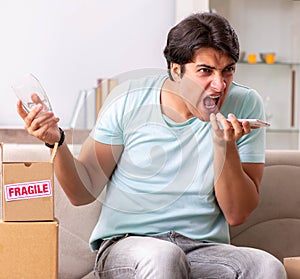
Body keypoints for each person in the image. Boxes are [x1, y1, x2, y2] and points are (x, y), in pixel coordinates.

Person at [17, 12, 286, 279]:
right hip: (128, 246)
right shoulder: (128, 100)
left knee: (266, 267)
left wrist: (225, 145)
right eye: (205, 71)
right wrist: (57, 141)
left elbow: (237, 213)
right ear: (176, 70)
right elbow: (82, 192)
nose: (219, 85)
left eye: (227, 70)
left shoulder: (245, 103)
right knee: (164, 256)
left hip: (203, 248)